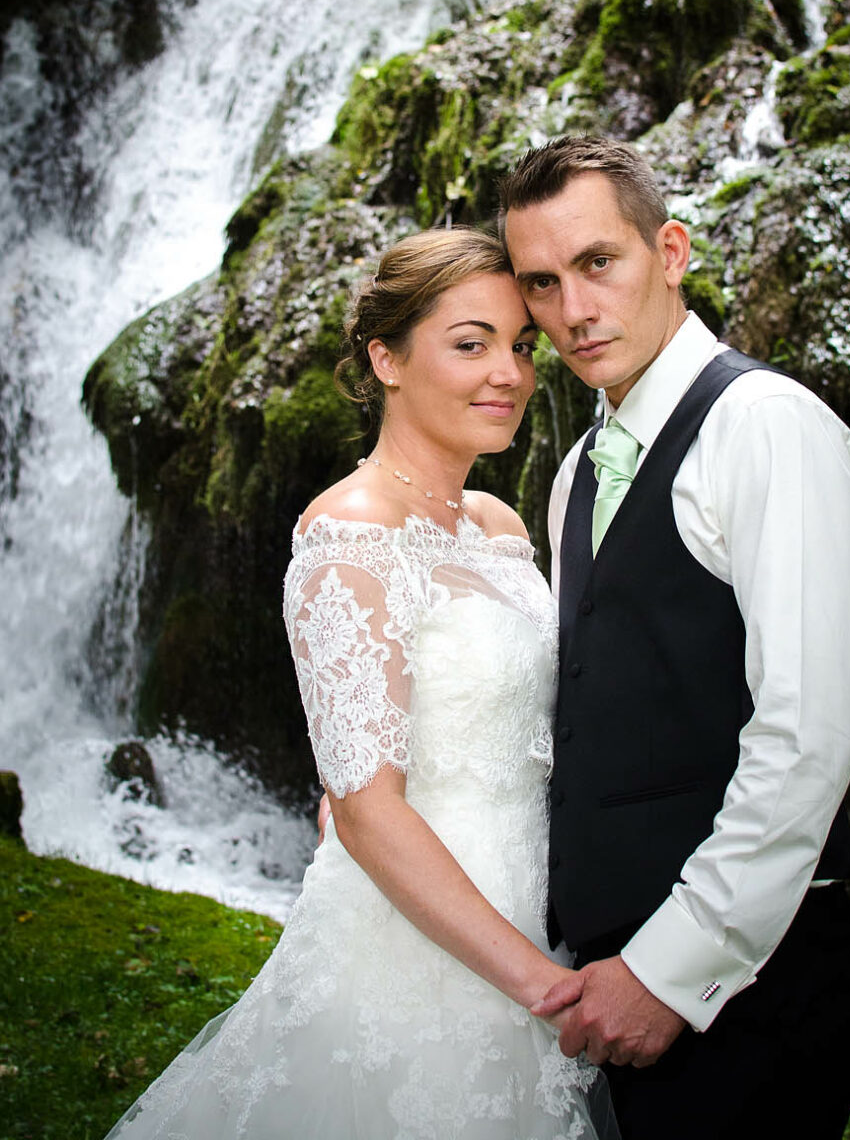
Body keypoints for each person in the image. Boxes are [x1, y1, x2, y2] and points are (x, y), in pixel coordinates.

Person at [103, 226, 616, 1140]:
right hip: (416, 953)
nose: (510, 373)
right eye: (471, 343)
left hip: (534, 900)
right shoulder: (348, 534)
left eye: (520, 345)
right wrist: (543, 986)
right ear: (385, 357)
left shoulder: (499, 525)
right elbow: (369, 808)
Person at [499, 135, 850, 1140]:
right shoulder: (577, 468)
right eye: (539, 282)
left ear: (669, 251)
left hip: (745, 991)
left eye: (596, 263)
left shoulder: (765, 428)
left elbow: (807, 733)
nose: (571, 310)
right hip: (600, 984)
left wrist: (671, 970)